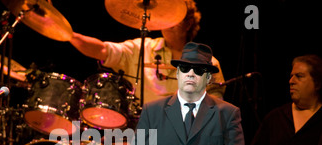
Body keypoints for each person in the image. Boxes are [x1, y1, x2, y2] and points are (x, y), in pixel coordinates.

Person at [69, 0, 225, 104]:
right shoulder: (141, 48)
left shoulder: (209, 63)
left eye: (175, 17)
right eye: (166, 16)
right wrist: (67, 34)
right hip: (142, 134)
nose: (169, 22)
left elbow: (214, 112)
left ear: (188, 23)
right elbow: (102, 49)